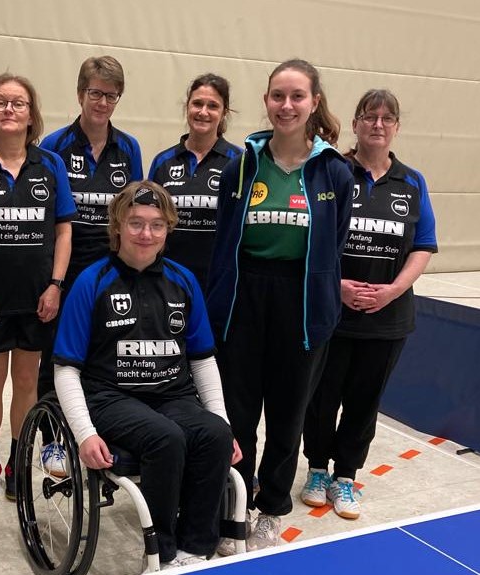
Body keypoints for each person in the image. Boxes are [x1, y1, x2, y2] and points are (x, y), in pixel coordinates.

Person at [53, 181, 241, 570]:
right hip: (111, 398)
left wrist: (220, 418)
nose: (146, 233)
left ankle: (194, 551)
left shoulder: (184, 281)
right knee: (165, 438)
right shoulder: (92, 281)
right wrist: (84, 433)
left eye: (156, 224)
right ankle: (162, 553)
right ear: (117, 226)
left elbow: (203, 361)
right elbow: (66, 368)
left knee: (216, 434)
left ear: (168, 229)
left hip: (173, 395)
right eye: (136, 223)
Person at [207, 59, 354, 551]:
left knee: (289, 415)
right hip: (244, 297)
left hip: (302, 301)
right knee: (239, 413)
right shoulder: (242, 165)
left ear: (314, 102)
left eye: (296, 96)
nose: (286, 106)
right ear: (266, 101)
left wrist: (322, 297)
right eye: (277, 96)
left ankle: (270, 509)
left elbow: (333, 246)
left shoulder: (335, 171)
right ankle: (236, 506)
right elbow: (226, 238)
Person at [300, 89, 437, 520]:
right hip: (332, 313)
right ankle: (317, 470)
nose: (377, 124)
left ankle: (345, 477)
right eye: (369, 117)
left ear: (396, 127)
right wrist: (335, 285)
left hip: (387, 318)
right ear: (356, 123)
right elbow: (311, 236)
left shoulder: (412, 182)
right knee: (321, 399)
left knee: (364, 401)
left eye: (386, 118)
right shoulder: (334, 172)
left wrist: (394, 290)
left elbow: (424, 245)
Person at [0, 73, 76, 502]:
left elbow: (63, 230)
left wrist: (56, 285)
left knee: (26, 380)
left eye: (18, 103)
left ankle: (17, 460)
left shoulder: (51, 165)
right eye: (1, 102)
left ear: (30, 114)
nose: (9, 109)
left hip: (37, 297)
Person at [36, 55, 143, 474]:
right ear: (81, 93)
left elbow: (133, 212)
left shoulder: (129, 147)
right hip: (64, 271)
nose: (102, 102)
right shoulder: (54, 148)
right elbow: (47, 217)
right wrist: (54, 281)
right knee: (57, 359)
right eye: (95, 93)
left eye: (110, 95)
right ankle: (52, 442)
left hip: (111, 273)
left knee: (105, 357)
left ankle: (101, 434)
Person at [149, 73, 241, 288]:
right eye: (197, 104)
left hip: (219, 280)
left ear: (224, 112)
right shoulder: (163, 162)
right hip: (168, 278)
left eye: (213, 106)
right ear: (187, 107)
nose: (203, 112)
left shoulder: (239, 162)